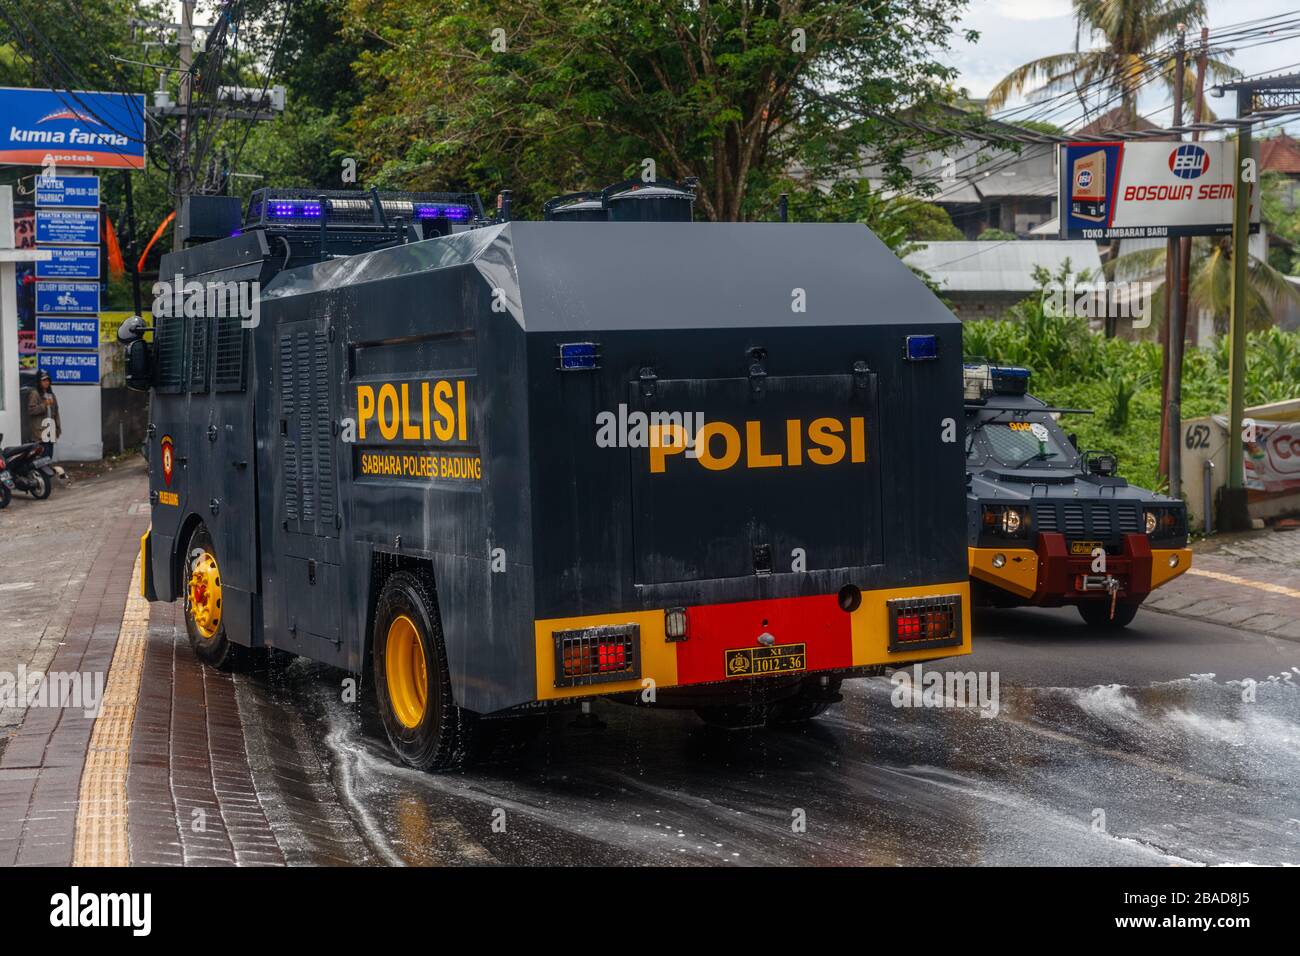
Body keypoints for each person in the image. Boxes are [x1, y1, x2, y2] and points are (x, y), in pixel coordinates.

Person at [25, 370, 61, 458]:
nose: (46, 382)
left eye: (48, 380)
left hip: (51, 430)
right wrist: (44, 405)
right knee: (42, 457)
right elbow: (31, 410)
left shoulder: (51, 395)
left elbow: (56, 412)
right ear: (39, 382)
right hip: (40, 431)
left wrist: (58, 428)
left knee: (49, 456)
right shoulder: (35, 394)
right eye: (44, 380)